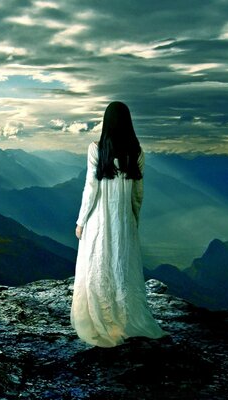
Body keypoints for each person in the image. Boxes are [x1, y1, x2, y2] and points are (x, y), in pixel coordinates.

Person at [70, 101, 168, 347]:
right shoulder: (136, 153)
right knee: (121, 269)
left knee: (98, 267)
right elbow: (138, 193)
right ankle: (123, 320)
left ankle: (100, 320)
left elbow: (90, 189)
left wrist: (81, 221)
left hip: (99, 222)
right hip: (123, 222)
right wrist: (134, 219)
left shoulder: (97, 149)